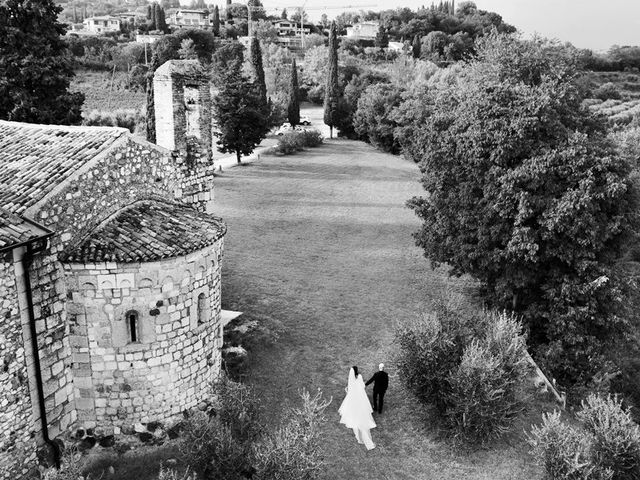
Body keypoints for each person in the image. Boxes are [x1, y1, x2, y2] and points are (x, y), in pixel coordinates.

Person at [338, 366, 376, 450]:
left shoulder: (351, 379)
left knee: (352, 407)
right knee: (362, 407)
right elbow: (362, 386)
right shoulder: (359, 377)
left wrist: (348, 390)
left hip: (353, 396)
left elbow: (350, 389)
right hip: (360, 396)